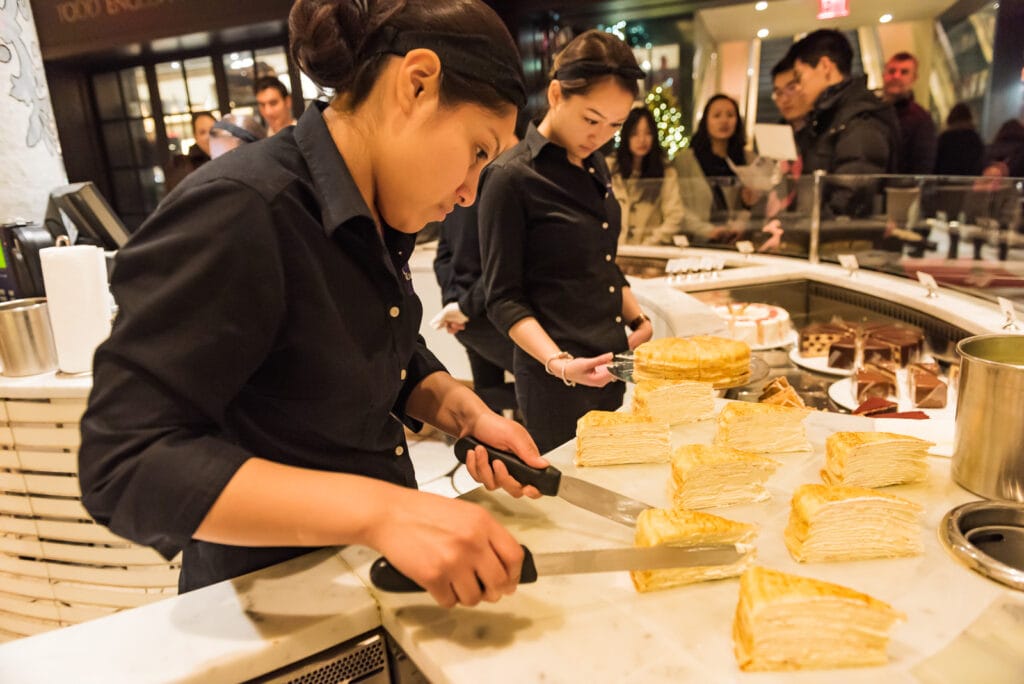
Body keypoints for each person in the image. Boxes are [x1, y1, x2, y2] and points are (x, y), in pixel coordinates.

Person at [78, 0, 547, 610]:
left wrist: (463, 411)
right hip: (269, 608)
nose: (468, 193)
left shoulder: (374, 213)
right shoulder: (243, 208)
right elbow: (125, 464)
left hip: (366, 587)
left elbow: (374, 341)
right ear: (417, 82)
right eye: (478, 151)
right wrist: (382, 512)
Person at [478, 29, 652, 453]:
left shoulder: (595, 166)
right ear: (556, 94)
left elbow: (600, 260)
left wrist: (637, 319)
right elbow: (502, 298)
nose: (601, 136)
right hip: (555, 379)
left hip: (612, 367)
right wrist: (559, 363)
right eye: (591, 119)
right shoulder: (511, 177)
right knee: (567, 500)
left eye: (615, 125)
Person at [791, 29, 900, 216]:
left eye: (800, 76)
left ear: (825, 66)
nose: (798, 88)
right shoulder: (830, 116)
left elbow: (850, 199)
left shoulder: (860, 118)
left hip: (845, 239)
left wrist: (799, 230)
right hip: (831, 235)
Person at [433, 203, 517, 415]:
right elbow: (502, 264)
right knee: (547, 380)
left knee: (488, 391)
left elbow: (442, 258)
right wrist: (460, 308)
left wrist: (453, 304)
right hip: (490, 317)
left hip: (469, 320)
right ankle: (449, 406)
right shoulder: (499, 190)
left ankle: (491, 441)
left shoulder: (453, 198)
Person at [673, 94, 758, 243]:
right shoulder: (685, 160)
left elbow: (752, 205)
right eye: (717, 115)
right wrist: (708, 230)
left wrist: (742, 221)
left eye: (730, 115)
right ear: (705, 120)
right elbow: (677, 206)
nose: (724, 121)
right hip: (695, 242)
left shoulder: (749, 159)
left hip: (734, 242)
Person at [608, 106, 684, 245]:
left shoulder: (666, 173)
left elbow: (675, 215)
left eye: (648, 133)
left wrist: (651, 243)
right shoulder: (610, 168)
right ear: (626, 136)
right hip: (615, 251)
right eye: (635, 133)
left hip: (649, 252)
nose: (642, 140)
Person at [882, 51, 937, 175]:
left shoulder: (921, 119)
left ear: (914, 78)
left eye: (904, 72)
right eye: (892, 71)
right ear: (884, 74)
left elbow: (922, 168)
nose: (896, 76)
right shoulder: (872, 112)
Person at [163, 111, 216, 192]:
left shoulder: (230, 158)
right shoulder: (183, 168)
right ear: (196, 137)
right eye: (202, 132)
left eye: (213, 130)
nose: (209, 136)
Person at [934, 103, 984, 176]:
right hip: (969, 183)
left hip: (945, 183)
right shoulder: (974, 138)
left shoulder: (944, 138)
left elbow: (935, 164)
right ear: (969, 118)